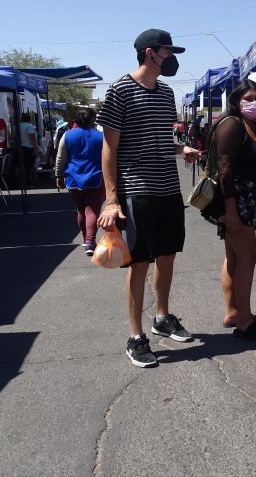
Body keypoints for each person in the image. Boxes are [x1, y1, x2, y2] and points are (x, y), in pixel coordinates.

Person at [97, 28, 201, 368]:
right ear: (149, 53)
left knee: (167, 256)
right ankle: (135, 336)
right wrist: (112, 199)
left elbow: (158, 141)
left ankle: (162, 317)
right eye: (168, 53)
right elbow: (109, 149)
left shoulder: (166, 93)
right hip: (137, 190)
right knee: (139, 264)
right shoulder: (120, 90)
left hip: (169, 189)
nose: (172, 59)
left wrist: (181, 147)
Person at [201, 79, 256, 341]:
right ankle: (245, 321)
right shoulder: (232, 125)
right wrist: (231, 210)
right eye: (248, 98)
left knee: (235, 257)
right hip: (234, 200)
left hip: (247, 199)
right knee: (249, 255)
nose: (254, 102)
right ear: (236, 101)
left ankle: (233, 312)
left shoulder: (255, 125)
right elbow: (225, 170)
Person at [55, 108, 105, 256]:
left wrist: (58, 175)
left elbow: (60, 157)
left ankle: (86, 239)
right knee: (92, 210)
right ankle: (90, 240)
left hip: (73, 179)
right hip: (96, 177)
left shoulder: (68, 135)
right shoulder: (100, 136)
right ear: (92, 120)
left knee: (81, 210)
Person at [19, 112, 38, 187]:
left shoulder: (18, 126)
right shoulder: (29, 126)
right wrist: (35, 148)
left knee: (22, 166)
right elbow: (32, 138)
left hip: (20, 147)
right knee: (28, 166)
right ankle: (27, 182)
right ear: (29, 119)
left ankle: (22, 181)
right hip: (28, 148)